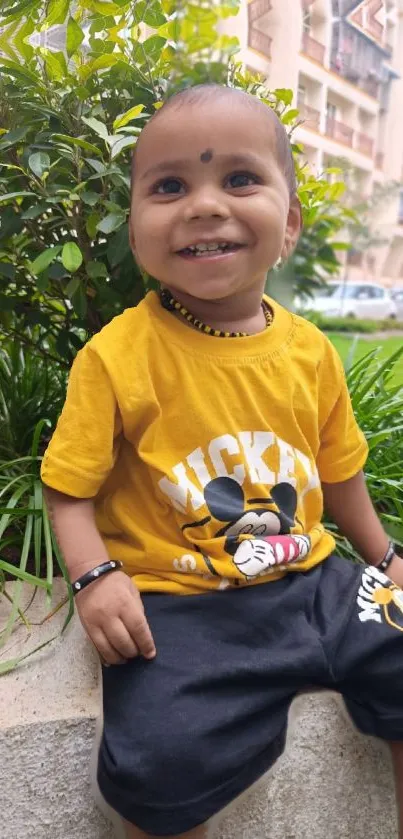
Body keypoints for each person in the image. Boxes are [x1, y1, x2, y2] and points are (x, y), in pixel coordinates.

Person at [41, 84, 403, 839]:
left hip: (313, 578)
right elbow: (68, 490)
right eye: (168, 186)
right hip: (180, 600)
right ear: (136, 229)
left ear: (290, 225)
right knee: (155, 766)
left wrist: (387, 555)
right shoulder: (117, 358)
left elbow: (338, 475)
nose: (203, 205)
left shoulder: (309, 353)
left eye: (239, 178)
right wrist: (95, 577)